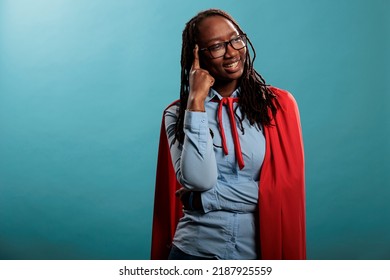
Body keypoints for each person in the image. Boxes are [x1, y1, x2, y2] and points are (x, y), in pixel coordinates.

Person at [151, 8, 306, 260]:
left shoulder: (278, 106)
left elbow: (283, 194)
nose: (232, 51)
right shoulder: (176, 114)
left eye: (236, 39)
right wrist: (196, 102)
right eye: (216, 47)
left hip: (254, 256)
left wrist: (205, 200)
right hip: (193, 252)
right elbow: (199, 180)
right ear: (196, 55)